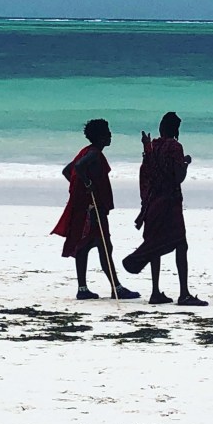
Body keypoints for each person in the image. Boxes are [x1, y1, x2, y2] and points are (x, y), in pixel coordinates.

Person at [123, 112, 208, 306]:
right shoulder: (175, 147)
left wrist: (144, 203)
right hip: (170, 203)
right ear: (176, 130)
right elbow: (178, 177)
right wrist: (186, 163)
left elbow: (146, 173)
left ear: (161, 128)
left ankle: (155, 292)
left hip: (153, 202)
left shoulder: (152, 147)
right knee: (181, 245)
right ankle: (184, 293)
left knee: (155, 245)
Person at [51, 118, 139, 300]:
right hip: (94, 209)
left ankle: (82, 288)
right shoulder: (94, 154)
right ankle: (116, 288)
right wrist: (87, 184)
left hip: (86, 208)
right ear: (100, 137)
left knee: (84, 246)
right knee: (105, 246)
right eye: (107, 133)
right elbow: (78, 167)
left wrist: (80, 189)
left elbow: (67, 171)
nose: (110, 136)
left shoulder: (87, 151)